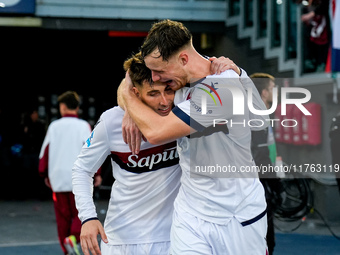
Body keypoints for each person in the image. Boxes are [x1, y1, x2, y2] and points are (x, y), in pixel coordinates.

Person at [122, 19, 269, 255]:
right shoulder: (179, 83)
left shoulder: (222, 86)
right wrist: (131, 108)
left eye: (159, 72)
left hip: (235, 215)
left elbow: (156, 131)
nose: (156, 79)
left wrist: (127, 96)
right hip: (190, 212)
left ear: (183, 59)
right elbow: (134, 79)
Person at [72, 53, 237, 255]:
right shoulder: (111, 121)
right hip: (120, 239)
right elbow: (82, 169)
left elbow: (203, 73)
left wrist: (226, 65)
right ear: (134, 92)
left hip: (174, 238)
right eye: (152, 94)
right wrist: (88, 217)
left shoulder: (182, 114)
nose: (164, 101)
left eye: (168, 90)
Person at [39, 91, 96, 255]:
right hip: (79, 178)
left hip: (57, 178)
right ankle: (73, 238)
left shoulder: (53, 126)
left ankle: (67, 249)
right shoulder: (84, 125)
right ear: (77, 107)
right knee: (82, 212)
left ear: (62, 107)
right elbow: (91, 151)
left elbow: (44, 153)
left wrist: (44, 174)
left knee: (62, 217)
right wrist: (97, 173)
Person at [250, 73, 280, 255]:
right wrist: (276, 184)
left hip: (266, 182)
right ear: (263, 92)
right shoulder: (255, 117)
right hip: (260, 186)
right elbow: (259, 155)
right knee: (264, 240)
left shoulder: (266, 115)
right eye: (272, 88)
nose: (275, 92)